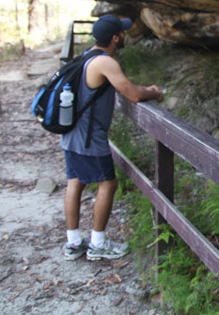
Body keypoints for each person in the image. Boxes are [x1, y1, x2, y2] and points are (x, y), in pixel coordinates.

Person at [61, 14, 164, 261]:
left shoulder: (85, 56)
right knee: (108, 184)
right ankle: (98, 244)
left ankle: (73, 242)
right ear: (115, 38)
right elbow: (132, 94)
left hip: (71, 134)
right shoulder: (105, 62)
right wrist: (153, 93)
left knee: (75, 181)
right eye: (123, 33)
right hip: (89, 139)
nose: (125, 36)